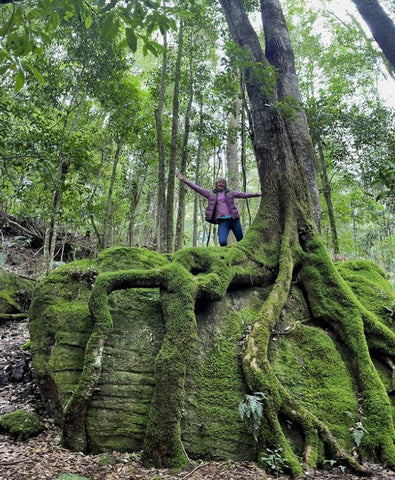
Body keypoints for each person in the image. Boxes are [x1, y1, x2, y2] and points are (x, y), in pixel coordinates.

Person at [176, 173, 261, 246]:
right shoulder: (211, 194)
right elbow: (198, 189)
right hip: (222, 221)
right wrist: (185, 181)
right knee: (222, 242)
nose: (221, 184)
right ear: (216, 184)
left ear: (225, 185)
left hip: (234, 219)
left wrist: (257, 194)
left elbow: (243, 195)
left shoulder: (230, 193)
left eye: (223, 183)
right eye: (219, 183)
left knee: (241, 241)